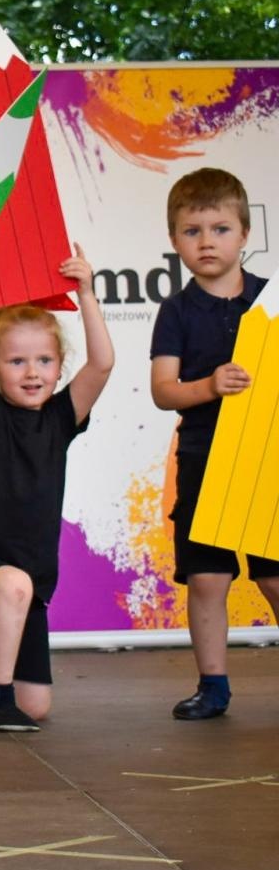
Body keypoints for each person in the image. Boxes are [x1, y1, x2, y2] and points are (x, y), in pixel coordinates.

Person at [0, 243, 112, 732]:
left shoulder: (61, 418)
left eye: (44, 361)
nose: (32, 372)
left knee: (35, 707)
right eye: (17, 362)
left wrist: (86, 294)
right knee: (11, 583)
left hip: (30, 587)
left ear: (59, 365)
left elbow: (101, 366)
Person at [148, 168, 279, 720]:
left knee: (274, 574)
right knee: (207, 577)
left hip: (267, 460)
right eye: (192, 230)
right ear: (175, 240)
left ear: (246, 234)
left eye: (221, 229)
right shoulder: (175, 311)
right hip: (204, 459)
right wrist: (209, 387)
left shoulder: (270, 301)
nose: (207, 241)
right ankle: (214, 686)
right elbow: (163, 391)